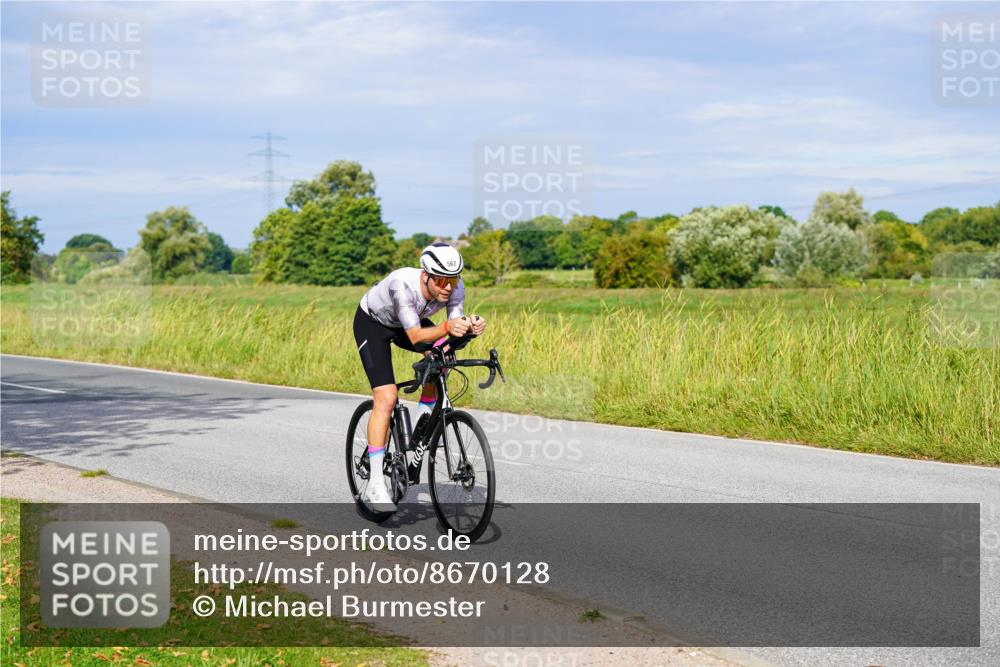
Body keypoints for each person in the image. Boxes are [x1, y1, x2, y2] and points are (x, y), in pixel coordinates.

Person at [353, 242, 486, 510]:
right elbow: (414, 336)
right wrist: (447, 326)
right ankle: (377, 484)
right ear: (426, 275)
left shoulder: (455, 288)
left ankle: (416, 434)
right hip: (374, 325)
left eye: (453, 280)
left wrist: (469, 327)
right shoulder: (402, 285)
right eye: (441, 281)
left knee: (442, 360)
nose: (448, 288)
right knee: (387, 396)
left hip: (409, 322)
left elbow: (452, 331)